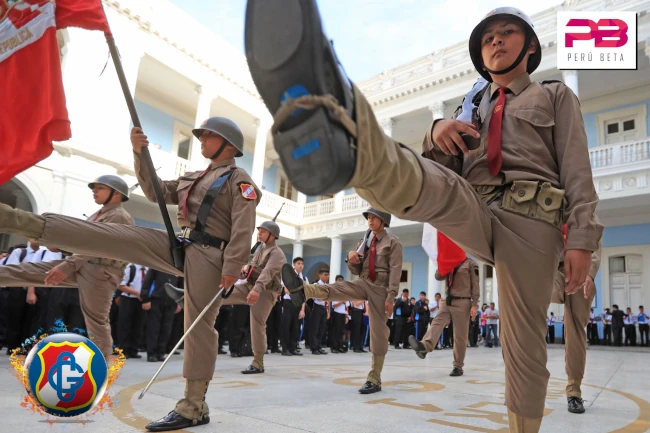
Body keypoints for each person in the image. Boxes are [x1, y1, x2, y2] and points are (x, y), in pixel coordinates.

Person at [244, 5, 603, 428]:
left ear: (529, 48)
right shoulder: (471, 108)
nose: (496, 42)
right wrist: (436, 134)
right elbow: (442, 170)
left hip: (530, 220)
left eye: (507, 33)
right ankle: (344, 129)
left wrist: (581, 238)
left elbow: (578, 171)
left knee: (521, 344)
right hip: (476, 204)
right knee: (430, 183)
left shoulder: (555, 94)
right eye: (488, 39)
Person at [0, 116, 260, 432]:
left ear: (228, 144)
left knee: (198, 327)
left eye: (207, 136)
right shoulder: (194, 176)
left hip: (212, 255)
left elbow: (244, 226)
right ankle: (16, 220)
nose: (202, 140)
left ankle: (193, 407)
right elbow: (155, 192)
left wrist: (232, 267)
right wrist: (141, 153)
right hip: (181, 244)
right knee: (113, 238)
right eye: (201, 135)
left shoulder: (239, 179)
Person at [0, 176, 134, 356]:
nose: (94, 191)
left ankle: (100, 370)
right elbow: (84, 242)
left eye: (100, 188)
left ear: (116, 193)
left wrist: (67, 266)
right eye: (94, 188)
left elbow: (100, 245)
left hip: (101, 272)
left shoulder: (118, 215)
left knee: (97, 323)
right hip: (84, 265)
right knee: (25, 271)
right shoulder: (100, 213)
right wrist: (62, 247)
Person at [283, 208, 402, 394]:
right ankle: (304, 289)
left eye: (373, 218)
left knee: (379, 332)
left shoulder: (393, 242)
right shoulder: (366, 240)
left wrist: (391, 296)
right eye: (368, 218)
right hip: (363, 281)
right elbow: (356, 269)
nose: (369, 220)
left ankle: (374, 378)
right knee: (337, 288)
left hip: (381, 288)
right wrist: (351, 258)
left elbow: (395, 269)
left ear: (383, 221)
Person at [220, 220, 287, 374]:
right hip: (249, 286)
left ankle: (258, 362)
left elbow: (267, 273)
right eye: (259, 231)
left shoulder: (277, 254)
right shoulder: (259, 250)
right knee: (223, 294)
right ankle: (186, 298)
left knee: (257, 324)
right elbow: (251, 268)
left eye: (263, 231)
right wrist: (244, 271)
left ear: (272, 235)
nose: (259, 233)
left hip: (265, 291)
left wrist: (256, 290)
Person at [551, 234, 601, 414]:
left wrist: (590, 274)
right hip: (551, 270)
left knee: (575, 331)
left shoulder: (585, 211)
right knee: (529, 306)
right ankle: (525, 384)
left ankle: (574, 392)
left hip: (580, 272)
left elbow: (593, 244)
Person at [409, 258, 480, 376]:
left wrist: (475, 304)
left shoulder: (471, 263)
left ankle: (458, 365)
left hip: (463, 301)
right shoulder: (449, 260)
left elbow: (475, 284)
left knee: (460, 335)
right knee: (437, 322)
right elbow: (438, 276)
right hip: (447, 300)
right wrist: (443, 264)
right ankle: (424, 346)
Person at [280, 257, 306, 356]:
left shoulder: (304, 278)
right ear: (294, 265)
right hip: (288, 303)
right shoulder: (288, 276)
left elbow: (305, 295)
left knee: (296, 326)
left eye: (302, 264)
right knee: (286, 326)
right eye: (298, 263)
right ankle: (285, 348)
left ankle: (293, 347)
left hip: (298, 304)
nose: (301, 265)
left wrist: (303, 310)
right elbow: (286, 290)